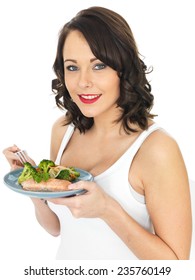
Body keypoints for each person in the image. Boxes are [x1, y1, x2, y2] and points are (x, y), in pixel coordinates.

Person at [3, 6, 192, 260]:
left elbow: (175, 266)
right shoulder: (63, 131)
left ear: (123, 69)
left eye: (99, 65)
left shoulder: (156, 149)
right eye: (72, 67)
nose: (83, 82)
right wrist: (35, 184)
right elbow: (56, 227)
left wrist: (107, 209)